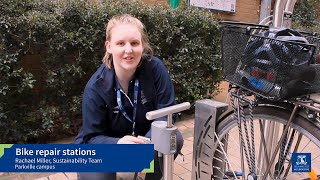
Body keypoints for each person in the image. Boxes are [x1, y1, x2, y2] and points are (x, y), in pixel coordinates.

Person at [74, 14, 184, 180]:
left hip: (141, 140)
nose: (128, 50)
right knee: (98, 176)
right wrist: (117, 144)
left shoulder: (155, 69)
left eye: (134, 43)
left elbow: (166, 111)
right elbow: (91, 137)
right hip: (107, 146)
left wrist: (146, 145)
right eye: (120, 43)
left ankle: (149, 176)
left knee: (173, 138)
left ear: (142, 46)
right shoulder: (96, 87)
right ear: (109, 46)